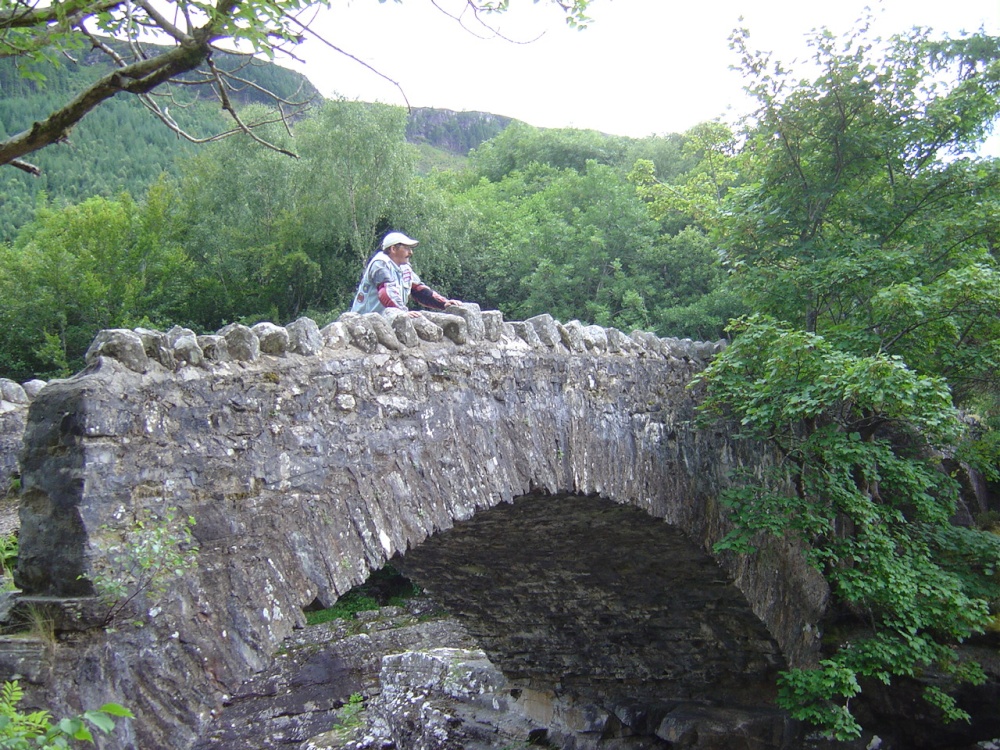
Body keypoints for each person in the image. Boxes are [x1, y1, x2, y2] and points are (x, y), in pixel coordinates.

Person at [350, 231, 461, 316]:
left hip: (386, 321)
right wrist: (402, 312)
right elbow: (386, 292)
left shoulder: (404, 267)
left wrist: (444, 303)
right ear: (393, 249)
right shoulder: (380, 264)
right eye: (407, 248)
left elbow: (419, 290)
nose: (410, 252)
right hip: (363, 321)